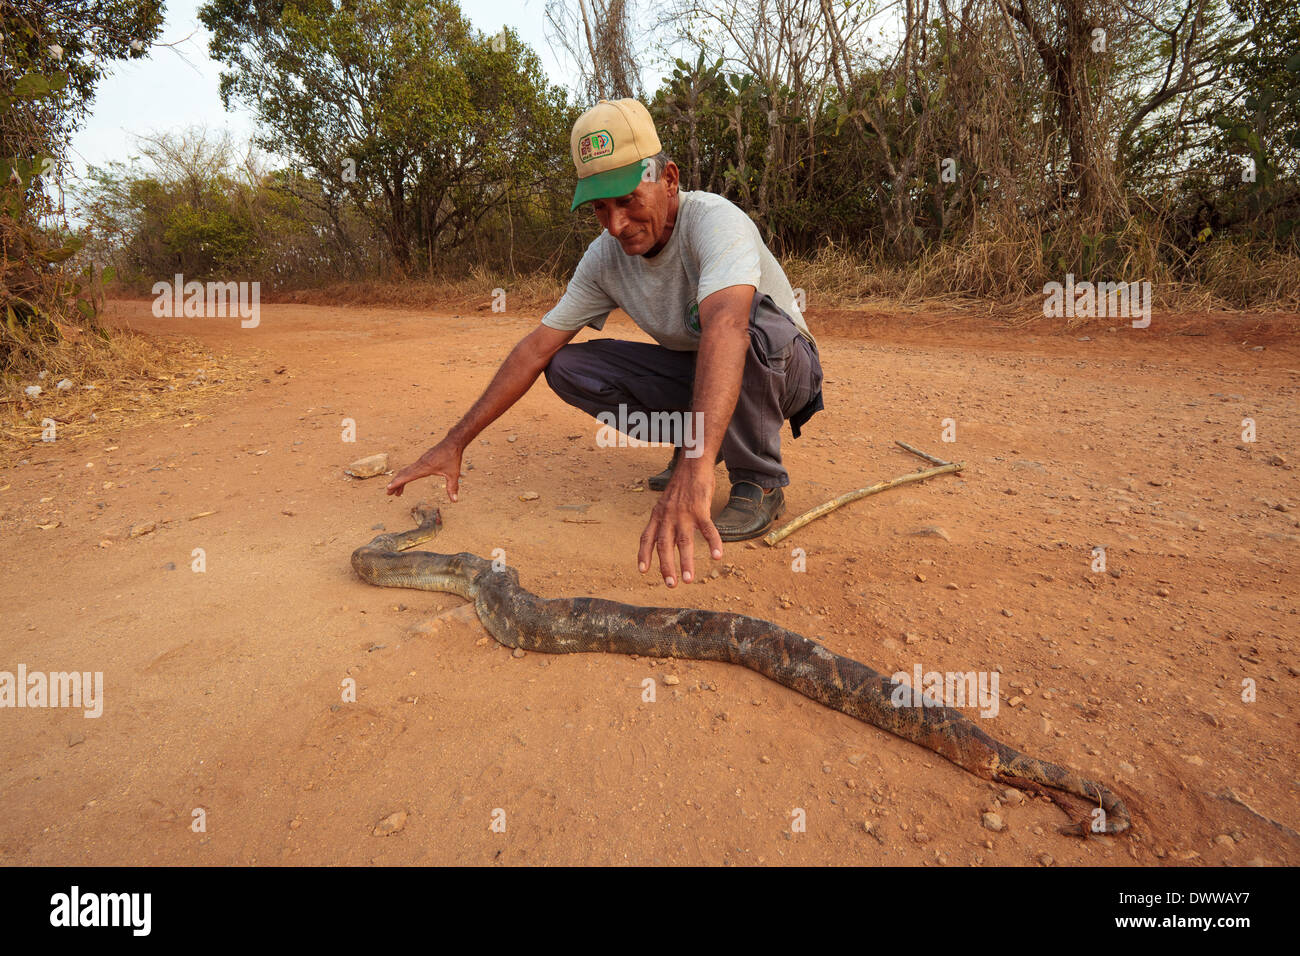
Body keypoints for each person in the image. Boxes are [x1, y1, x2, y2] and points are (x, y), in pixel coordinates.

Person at [387, 98, 824, 588]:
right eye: (600, 208)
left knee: (748, 324)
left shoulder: (715, 222)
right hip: (706, 369)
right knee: (568, 365)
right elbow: (536, 348)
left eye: (629, 200)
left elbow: (725, 328)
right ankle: (702, 439)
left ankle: (758, 478)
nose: (617, 225)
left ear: (669, 179)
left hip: (785, 369)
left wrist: (696, 472)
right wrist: (454, 441)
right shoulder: (604, 259)